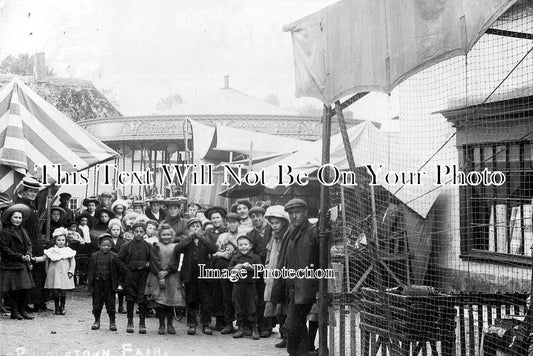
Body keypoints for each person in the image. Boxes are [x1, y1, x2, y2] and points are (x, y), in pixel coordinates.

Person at [271, 198, 319, 356]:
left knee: (292, 326)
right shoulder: (290, 232)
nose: (294, 216)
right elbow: (283, 259)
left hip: (307, 288)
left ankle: (302, 353)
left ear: (305, 213)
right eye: (291, 213)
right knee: (295, 327)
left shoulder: (313, 231)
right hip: (292, 287)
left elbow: (321, 257)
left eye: (297, 212)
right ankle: (304, 353)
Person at [175, 217, 218, 335]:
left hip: (204, 274)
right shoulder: (186, 240)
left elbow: (214, 249)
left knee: (206, 299)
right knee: (191, 299)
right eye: (193, 226)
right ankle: (191, 324)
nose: (195, 228)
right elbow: (177, 249)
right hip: (190, 274)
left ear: (202, 228)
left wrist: (202, 238)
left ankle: (206, 324)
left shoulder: (205, 239)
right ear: (189, 229)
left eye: (198, 226)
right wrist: (189, 238)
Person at [16, 176, 49, 312]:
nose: (33, 194)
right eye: (30, 191)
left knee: (39, 273)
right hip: (27, 244)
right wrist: (26, 245)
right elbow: (21, 228)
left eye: (35, 192)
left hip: (36, 244)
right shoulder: (21, 207)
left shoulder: (32, 206)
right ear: (23, 192)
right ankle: (28, 303)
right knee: (30, 273)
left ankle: (39, 301)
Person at [145, 223, 185, 335]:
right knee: (160, 302)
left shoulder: (175, 246)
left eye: (168, 234)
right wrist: (160, 275)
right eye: (164, 234)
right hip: (157, 276)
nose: (166, 236)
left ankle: (170, 324)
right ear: (159, 235)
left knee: (170, 302)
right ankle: (161, 324)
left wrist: (166, 272)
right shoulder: (155, 245)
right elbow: (154, 261)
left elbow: (175, 262)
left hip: (171, 276)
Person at [0, 203, 35, 320]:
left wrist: (28, 254)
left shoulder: (23, 231)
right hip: (10, 264)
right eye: (15, 217)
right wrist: (20, 256)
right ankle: (14, 311)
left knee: (25, 288)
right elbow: (5, 249)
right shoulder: (4, 232)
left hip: (22, 263)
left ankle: (22, 309)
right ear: (10, 218)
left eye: (20, 218)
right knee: (14, 289)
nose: (18, 220)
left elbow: (29, 244)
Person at [263, 205, 291, 348]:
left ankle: (289, 336)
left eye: (277, 223)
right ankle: (283, 334)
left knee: (286, 306)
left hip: (286, 275)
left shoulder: (289, 236)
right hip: (273, 275)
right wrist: (266, 271)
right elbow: (269, 256)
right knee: (276, 306)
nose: (274, 226)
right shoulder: (273, 238)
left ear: (284, 222)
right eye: (272, 223)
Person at [117, 222, 151, 334]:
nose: (139, 234)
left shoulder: (148, 246)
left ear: (144, 233)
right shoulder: (126, 246)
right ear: (132, 232)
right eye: (136, 231)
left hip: (143, 274)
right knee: (130, 298)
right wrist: (126, 270)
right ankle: (130, 322)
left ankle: (142, 323)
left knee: (142, 298)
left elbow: (152, 259)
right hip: (130, 274)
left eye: (141, 232)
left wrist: (148, 264)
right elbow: (119, 259)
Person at [34, 227, 76, 315]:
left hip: (65, 274)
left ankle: (62, 307)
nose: (61, 242)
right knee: (56, 292)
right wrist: (34, 259)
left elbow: (72, 263)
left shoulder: (68, 251)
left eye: (63, 240)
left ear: (65, 241)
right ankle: (57, 307)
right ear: (55, 241)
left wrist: (71, 271)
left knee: (63, 291)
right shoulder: (51, 251)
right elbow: (43, 258)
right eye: (59, 240)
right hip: (54, 274)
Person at [212, 212, 241, 334]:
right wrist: (221, 253)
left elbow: (246, 250)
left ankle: (241, 324)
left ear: (238, 223)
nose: (231, 225)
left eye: (234, 222)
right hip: (225, 267)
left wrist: (233, 242)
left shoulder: (243, 234)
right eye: (229, 222)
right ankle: (228, 323)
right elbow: (214, 252)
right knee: (226, 295)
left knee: (239, 297)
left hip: (239, 268)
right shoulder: (222, 235)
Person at [229, 235, 262, 340]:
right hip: (238, 285)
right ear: (238, 246)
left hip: (250, 285)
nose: (243, 247)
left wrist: (251, 268)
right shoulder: (235, 257)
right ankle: (240, 327)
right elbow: (229, 269)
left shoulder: (255, 257)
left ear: (251, 246)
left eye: (245, 244)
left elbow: (260, 271)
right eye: (241, 245)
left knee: (252, 305)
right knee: (238, 306)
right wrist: (235, 268)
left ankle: (254, 327)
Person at [247, 205, 272, 337]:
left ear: (263, 217)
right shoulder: (250, 234)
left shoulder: (272, 230)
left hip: (272, 267)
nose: (256, 219)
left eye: (258, 216)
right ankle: (260, 326)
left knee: (270, 297)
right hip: (257, 270)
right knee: (258, 297)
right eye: (253, 216)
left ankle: (268, 326)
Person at [87, 234, 120, 331]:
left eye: (108, 245)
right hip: (97, 282)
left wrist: (118, 284)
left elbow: (117, 271)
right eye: (103, 245)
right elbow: (91, 270)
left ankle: (112, 322)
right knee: (97, 303)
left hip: (109, 283)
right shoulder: (94, 256)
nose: (106, 247)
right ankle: (96, 320)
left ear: (111, 246)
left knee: (110, 303)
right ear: (99, 245)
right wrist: (90, 284)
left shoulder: (114, 256)